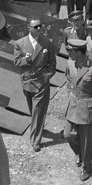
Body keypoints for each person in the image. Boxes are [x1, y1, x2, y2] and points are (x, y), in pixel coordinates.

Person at [63, 38, 92, 181]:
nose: (68, 52)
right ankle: (80, 153)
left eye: (70, 50)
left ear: (78, 53)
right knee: (68, 134)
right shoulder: (70, 63)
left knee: (87, 140)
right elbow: (69, 80)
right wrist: (71, 94)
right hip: (73, 105)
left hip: (87, 108)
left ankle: (86, 167)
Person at [13, 18, 57, 152]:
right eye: (35, 27)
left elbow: (52, 63)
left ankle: (35, 140)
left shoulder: (47, 42)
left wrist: (47, 76)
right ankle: (39, 128)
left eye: (40, 26)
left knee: (38, 110)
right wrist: (26, 59)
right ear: (29, 28)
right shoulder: (19, 43)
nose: (39, 29)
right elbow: (16, 62)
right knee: (33, 109)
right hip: (27, 81)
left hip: (41, 82)